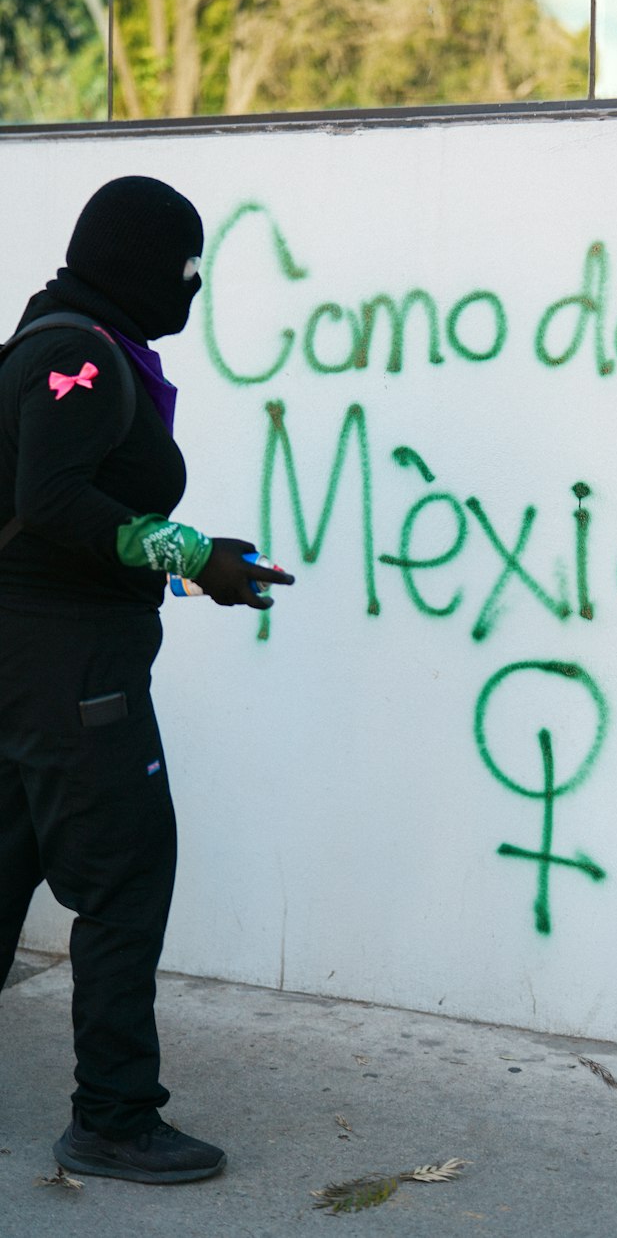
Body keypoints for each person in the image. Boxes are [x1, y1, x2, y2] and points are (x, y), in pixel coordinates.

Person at [0, 175, 293, 1184]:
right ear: (132, 261)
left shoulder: (74, 342)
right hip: (70, 666)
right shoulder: (74, 352)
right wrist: (187, 551)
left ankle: (113, 1108)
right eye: (184, 267)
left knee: (9, 862)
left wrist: (198, 564)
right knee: (127, 872)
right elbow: (50, 499)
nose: (194, 285)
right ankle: (114, 1117)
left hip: (34, 661)